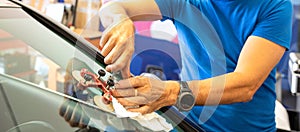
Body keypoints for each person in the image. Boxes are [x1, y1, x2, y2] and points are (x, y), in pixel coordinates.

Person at [98, 0, 293, 131]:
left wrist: (168, 92)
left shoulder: (275, 5)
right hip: (188, 125)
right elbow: (112, 6)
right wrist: (120, 21)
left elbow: (245, 85)